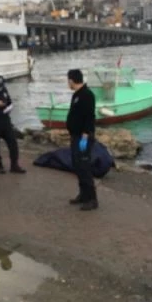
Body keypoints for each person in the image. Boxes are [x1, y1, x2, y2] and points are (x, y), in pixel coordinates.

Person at [65, 68, 98, 211]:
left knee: (84, 167)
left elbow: (90, 117)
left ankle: (92, 199)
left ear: (71, 80)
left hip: (83, 137)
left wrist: (85, 136)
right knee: (77, 166)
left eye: (68, 81)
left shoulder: (87, 95)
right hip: (75, 136)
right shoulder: (76, 95)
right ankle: (83, 194)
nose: (68, 83)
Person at [0, 75, 26, 174]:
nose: (0, 88)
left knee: (13, 143)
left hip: (6, 121)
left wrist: (7, 105)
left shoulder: (4, 89)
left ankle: (14, 165)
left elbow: (9, 101)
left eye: (1, 85)